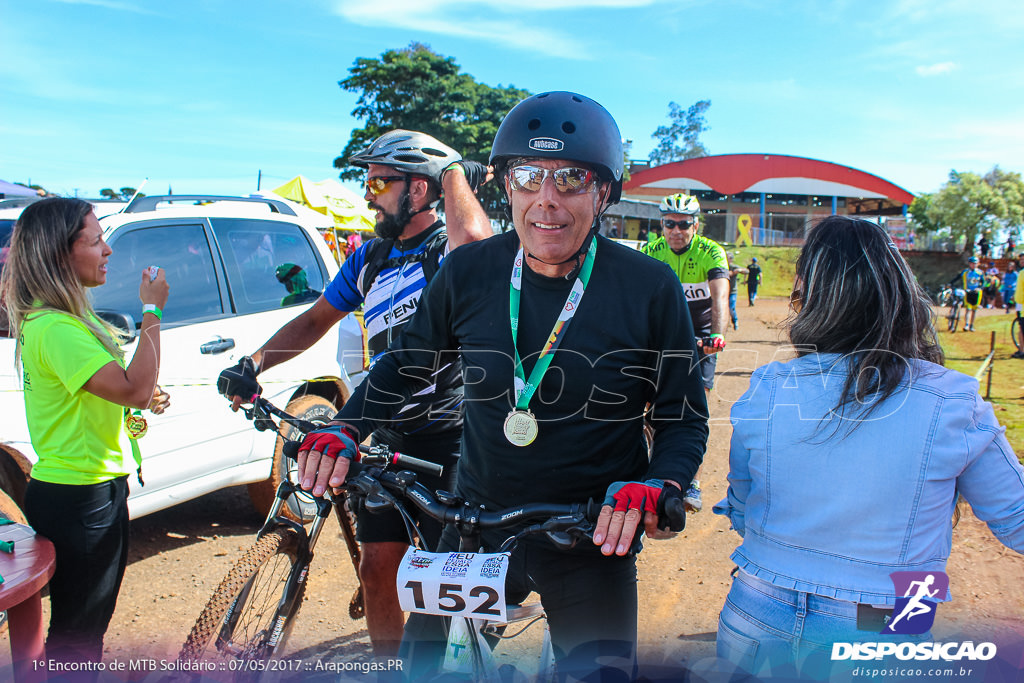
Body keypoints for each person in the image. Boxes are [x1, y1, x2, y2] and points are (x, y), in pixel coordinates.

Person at [293, 91, 708, 679]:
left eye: (570, 179)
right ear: (505, 184)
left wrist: (659, 482)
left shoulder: (648, 286)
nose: (546, 200)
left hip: (591, 536)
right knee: (422, 670)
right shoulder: (470, 270)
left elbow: (682, 416)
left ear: (605, 193)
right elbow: (407, 362)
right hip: (473, 528)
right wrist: (346, 427)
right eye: (528, 177)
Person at [218, 130, 493, 657]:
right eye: (366, 181)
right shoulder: (368, 259)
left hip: (449, 435)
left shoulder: (446, 252)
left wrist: (451, 169)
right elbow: (316, 319)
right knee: (376, 570)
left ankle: (445, 661)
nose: (368, 193)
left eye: (379, 182)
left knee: (441, 581)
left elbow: (477, 250)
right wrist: (253, 363)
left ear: (418, 189)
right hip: (379, 433)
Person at [713, 216, 1024, 679]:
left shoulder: (769, 386)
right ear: (900, 291)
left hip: (757, 604)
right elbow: (1016, 520)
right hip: (890, 618)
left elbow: (742, 506)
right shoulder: (953, 401)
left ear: (811, 300)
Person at [0, 198, 170, 669]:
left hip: (89, 489)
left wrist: (140, 391)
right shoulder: (55, 327)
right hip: (81, 496)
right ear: (59, 255)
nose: (108, 250)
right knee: (79, 633)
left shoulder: (66, 320)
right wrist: (153, 308)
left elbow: (118, 389)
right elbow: (133, 389)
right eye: (95, 241)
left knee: (84, 628)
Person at [641, 193, 730, 512]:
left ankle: (692, 481)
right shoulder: (651, 250)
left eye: (683, 224)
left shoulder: (710, 251)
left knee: (693, 410)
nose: (676, 230)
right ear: (661, 225)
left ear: (695, 225)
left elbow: (720, 296)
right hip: (662, 335)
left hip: (701, 337)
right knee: (646, 404)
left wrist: (717, 334)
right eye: (669, 224)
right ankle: (650, 467)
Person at [952, 256, 984, 331]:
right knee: (968, 309)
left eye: (975, 263)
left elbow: (983, 282)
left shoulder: (980, 272)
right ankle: (966, 324)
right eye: (972, 263)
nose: (973, 265)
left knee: (974, 310)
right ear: (969, 264)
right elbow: (957, 278)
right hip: (968, 292)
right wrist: (951, 283)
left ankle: (971, 325)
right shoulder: (965, 272)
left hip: (977, 292)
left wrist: (979, 288)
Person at [727, 253, 747, 330]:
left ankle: (735, 321)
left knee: (731, 308)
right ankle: (725, 324)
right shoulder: (721, 266)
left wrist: (739, 270)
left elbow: (746, 271)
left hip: (732, 291)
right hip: (723, 292)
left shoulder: (733, 267)